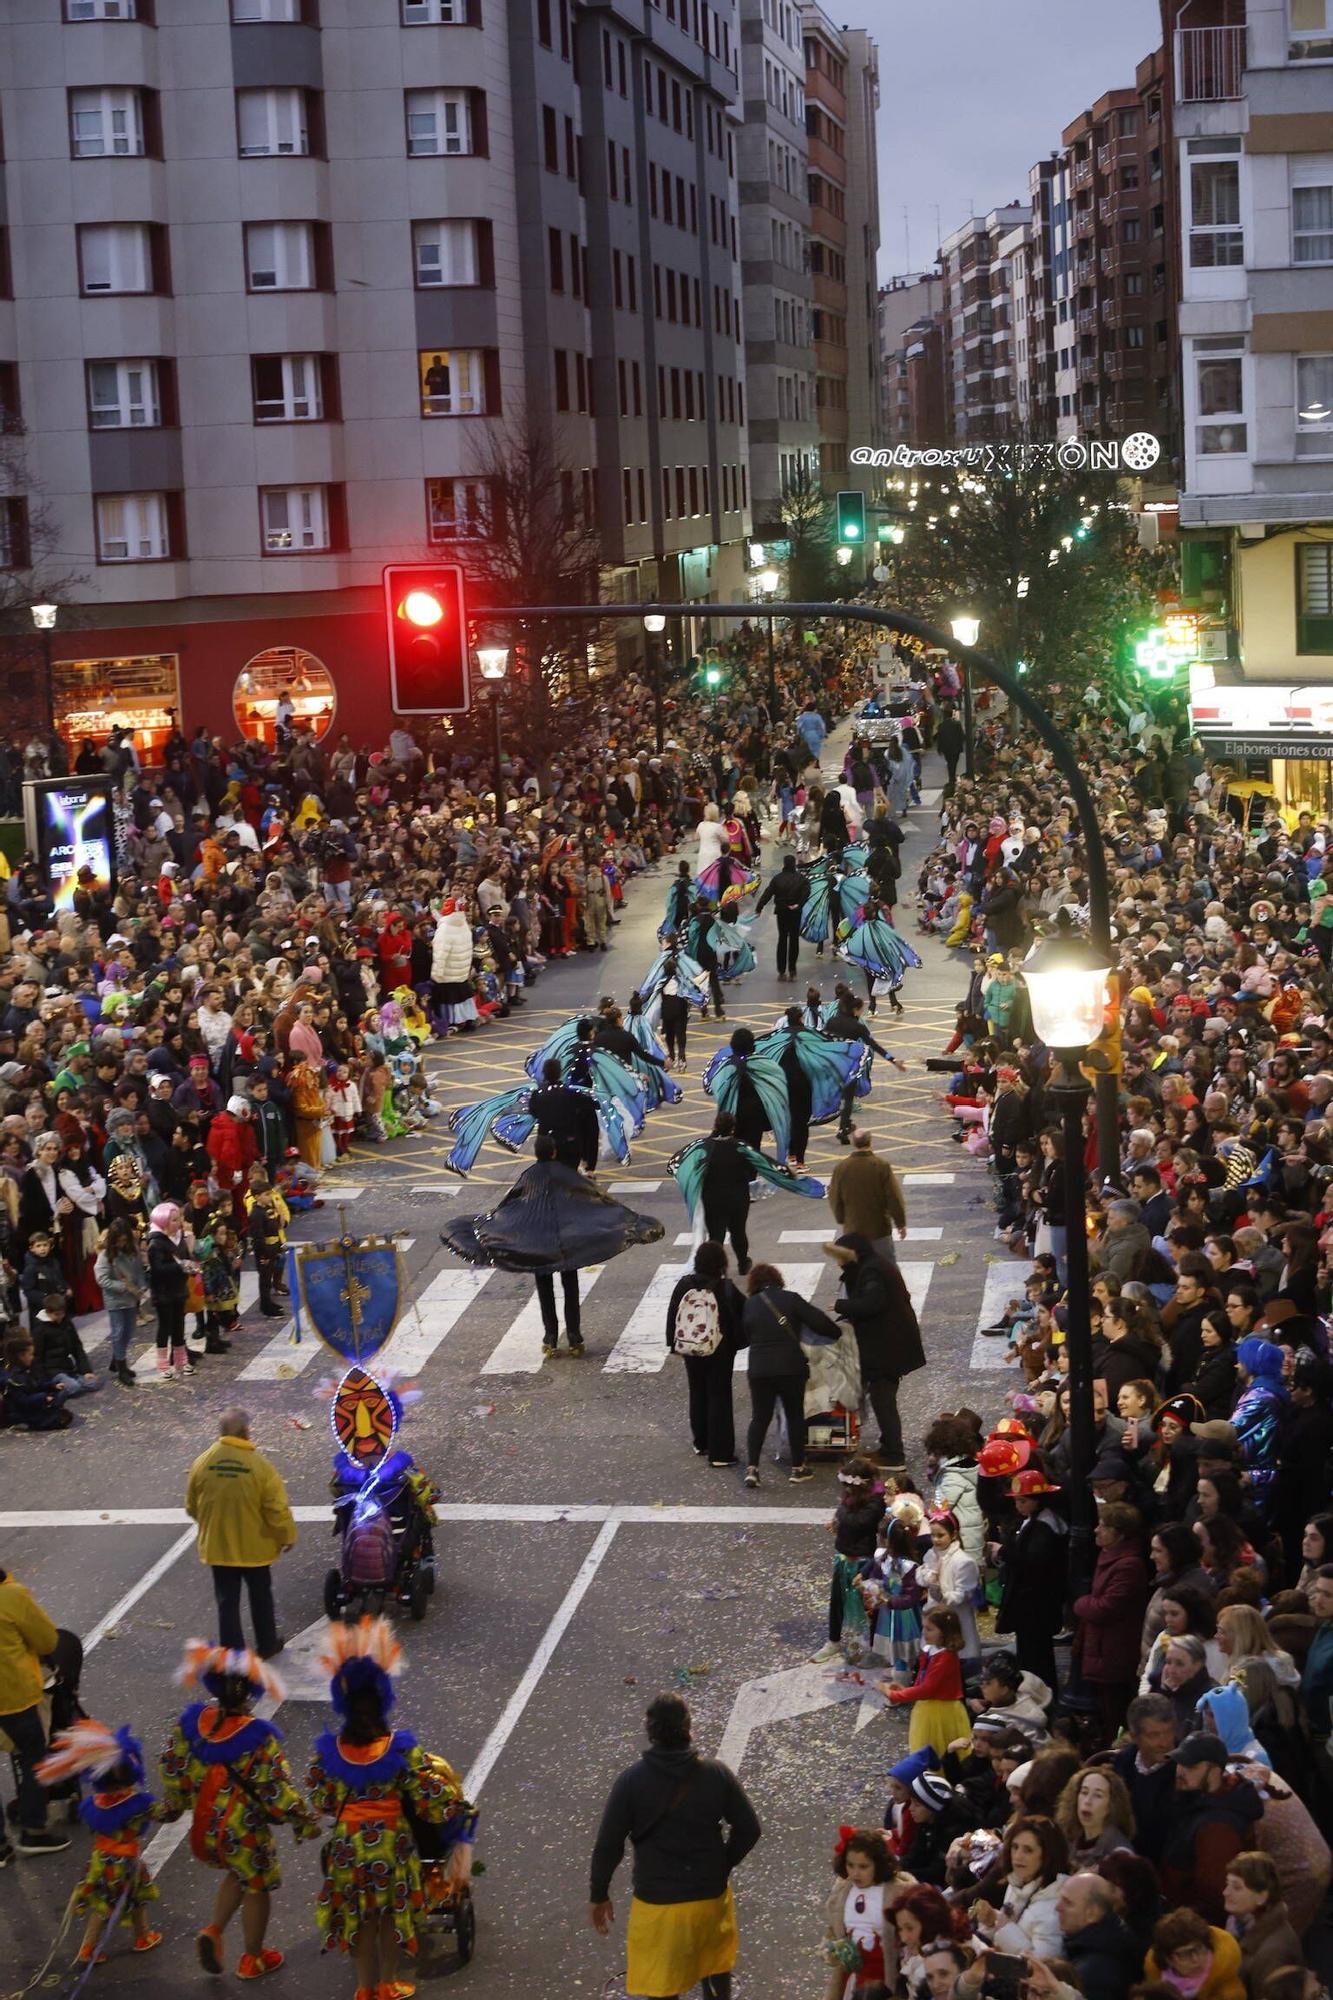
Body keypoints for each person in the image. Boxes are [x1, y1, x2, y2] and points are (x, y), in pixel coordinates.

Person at [307, 1618, 477, 2000]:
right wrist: (455, 1807)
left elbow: (322, 1802)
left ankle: (364, 1989)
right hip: (390, 1848)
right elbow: (428, 1799)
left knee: (360, 1921)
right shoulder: (400, 1748)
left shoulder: (328, 1753)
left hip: (348, 1851)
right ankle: (388, 1983)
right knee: (387, 1920)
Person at [159, 1642, 318, 1979]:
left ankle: (214, 1930)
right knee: (256, 1886)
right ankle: (253, 1957)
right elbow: (275, 1789)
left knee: (238, 1874)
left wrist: (173, 1806)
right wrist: (302, 1819)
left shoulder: (192, 1722)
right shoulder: (258, 1736)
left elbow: (173, 1769)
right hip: (245, 1831)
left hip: (207, 1828)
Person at [588, 1690, 760, 2000]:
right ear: (688, 1728)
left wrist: (599, 1894)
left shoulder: (631, 1782)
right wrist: (722, 1864)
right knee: (714, 1972)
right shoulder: (715, 1773)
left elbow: (608, 1846)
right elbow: (749, 1828)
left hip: (657, 1905)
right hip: (709, 1898)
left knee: (662, 1986)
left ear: (649, 1731)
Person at [35, 1719, 162, 1963]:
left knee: (115, 1902)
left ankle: (121, 1940)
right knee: (122, 1901)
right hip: (126, 1863)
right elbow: (162, 1814)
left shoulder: (92, 1805)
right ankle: (118, 1941)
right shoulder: (137, 1804)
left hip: (100, 1859)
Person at [184, 1407, 297, 1660]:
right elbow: (276, 1508)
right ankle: (267, 1644)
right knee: (261, 1597)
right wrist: (286, 1535)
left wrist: (212, 1526)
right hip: (255, 1549)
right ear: (246, 1432)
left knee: (227, 1603)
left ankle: (233, 1655)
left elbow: (192, 1505)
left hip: (218, 1548)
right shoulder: (260, 1466)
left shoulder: (202, 1463)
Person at [824, 1234, 925, 1473]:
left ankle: (894, 1454)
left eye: (839, 1257)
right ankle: (888, 1448)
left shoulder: (872, 1271)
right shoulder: (872, 1265)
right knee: (882, 1398)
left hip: (888, 1347)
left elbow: (872, 1303)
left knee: (883, 1399)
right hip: (889, 1344)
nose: (837, 1262)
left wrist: (841, 1306)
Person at [740, 1261, 841, 1488]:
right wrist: (837, 1333)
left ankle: (752, 1469)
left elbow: (744, 1334)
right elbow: (819, 1322)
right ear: (778, 1280)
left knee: (759, 1417)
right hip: (791, 1367)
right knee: (795, 1414)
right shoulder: (791, 1299)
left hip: (759, 1369)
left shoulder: (749, 1305)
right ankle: (798, 1468)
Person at [1160, 1733, 1264, 1924]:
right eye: (1179, 1763)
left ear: (1214, 1772)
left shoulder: (1218, 1827)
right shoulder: (1197, 1798)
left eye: (1191, 1766)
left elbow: (1214, 1900)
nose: (1179, 1772)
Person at [0, 1565, 68, 1857]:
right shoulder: (12, 1596)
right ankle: (33, 1829)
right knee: (34, 1756)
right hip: (13, 1695)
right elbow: (47, 1641)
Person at [1072, 1500, 1150, 1742]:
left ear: (1119, 1533)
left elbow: (1105, 1607)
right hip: (1101, 1646)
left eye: (1103, 1526)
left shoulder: (1128, 1566)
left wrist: (1081, 1604)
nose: (1096, 1530)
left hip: (1115, 1650)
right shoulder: (1108, 1557)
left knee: (1115, 1711)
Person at [664, 1238, 744, 1467]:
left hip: (690, 1347)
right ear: (721, 1263)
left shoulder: (684, 1285)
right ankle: (720, 1453)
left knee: (697, 1391)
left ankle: (701, 1442)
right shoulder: (726, 1287)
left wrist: (673, 1345)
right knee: (719, 1396)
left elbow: (673, 1315)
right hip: (719, 1349)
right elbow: (744, 1312)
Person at [970, 1814, 1070, 1960]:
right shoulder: (1017, 1883)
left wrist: (1004, 1929)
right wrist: (992, 1921)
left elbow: (1042, 1966)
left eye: (1028, 1850)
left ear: (1048, 1856)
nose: (1018, 1856)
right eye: (1015, 1847)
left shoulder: (1054, 1907)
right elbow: (1016, 1931)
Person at [1221, 1851, 1304, 1998]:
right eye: (1227, 1884)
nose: (1225, 1892)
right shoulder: (1237, 1924)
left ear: (1261, 1896)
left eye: (1237, 1887)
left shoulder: (1274, 1953)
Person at [1053, 1871, 1145, 2000]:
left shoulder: (1095, 1973)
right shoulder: (1090, 1946)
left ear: (1092, 1913)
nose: (1057, 1907)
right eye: (1060, 1899)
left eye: (1068, 1903)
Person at [828, 1129, 908, 1264]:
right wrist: (900, 1223)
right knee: (886, 1268)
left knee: (856, 1270)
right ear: (870, 1142)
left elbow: (834, 1198)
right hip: (879, 1229)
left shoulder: (841, 1168)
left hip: (852, 1229)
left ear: (853, 1143)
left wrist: (842, 1219)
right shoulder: (881, 1166)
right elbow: (893, 1198)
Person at [1145, 1905, 1247, 2000]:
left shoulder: (1228, 1993)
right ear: (1168, 1959)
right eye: (1185, 1954)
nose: (1196, 1959)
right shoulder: (1156, 1986)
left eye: (1199, 1949)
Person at [699, 1112, 758, 1276]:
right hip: (737, 1198)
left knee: (716, 1234)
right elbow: (753, 1169)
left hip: (712, 1198)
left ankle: (716, 1269)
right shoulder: (740, 1146)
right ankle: (742, 1262)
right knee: (738, 1232)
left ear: (715, 1126)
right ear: (733, 1128)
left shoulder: (706, 1147)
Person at [754, 852, 807, 981]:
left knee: (782, 939)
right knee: (794, 940)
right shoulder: (801, 879)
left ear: (784, 864)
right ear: (794, 864)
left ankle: (781, 971)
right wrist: (798, 904)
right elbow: (806, 893)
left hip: (782, 912)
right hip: (795, 912)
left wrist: (759, 907)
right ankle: (792, 970)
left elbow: (768, 893)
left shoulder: (777, 879)